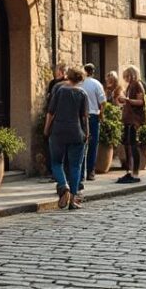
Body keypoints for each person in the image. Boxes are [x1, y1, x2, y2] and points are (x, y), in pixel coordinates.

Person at [44, 66, 89, 209]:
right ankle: (73, 200)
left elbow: (51, 112)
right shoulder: (82, 93)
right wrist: (86, 133)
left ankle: (64, 186)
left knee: (56, 163)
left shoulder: (60, 90)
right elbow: (84, 117)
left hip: (58, 131)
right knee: (76, 166)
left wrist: (46, 129)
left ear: (68, 76)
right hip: (76, 132)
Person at [114, 65, 146, 184]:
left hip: (134, 120)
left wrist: (126, 100)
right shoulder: (129, 86)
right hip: (128, 119)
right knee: (127, 144)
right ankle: (129, 171)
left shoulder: (137, 84)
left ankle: (135, 172)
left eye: (127, 76)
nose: (126, 78)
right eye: (125, 76)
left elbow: (141, 101)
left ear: (133, 75)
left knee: (133, 145)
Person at [80, 63, 107, 182]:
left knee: (81, 144)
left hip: (81, 116)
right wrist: (102, 113)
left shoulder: (80, 83)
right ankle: (91, 171)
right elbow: (103, 101)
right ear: (93, 72)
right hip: (93, 115)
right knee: (93, 144)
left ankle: (80, 172)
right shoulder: (97, 84)